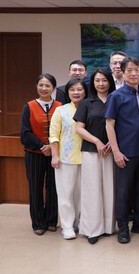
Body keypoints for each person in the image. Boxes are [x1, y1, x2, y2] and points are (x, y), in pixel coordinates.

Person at [105, 56, 139, 244]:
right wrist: (116, 152)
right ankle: (123, 228)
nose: (133, 73)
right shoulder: (116, 96)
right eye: (129, 70)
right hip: (125, 153)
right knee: (123, 192)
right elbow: (109, 125)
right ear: (123, 73)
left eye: (137, 70)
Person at [74, 68, 116, 244]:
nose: (101, 84)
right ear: (93, 82)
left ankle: (107, 227)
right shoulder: (87, 102)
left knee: (109, 189)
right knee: (92, 191)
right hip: (91, 151)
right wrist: (98, 142)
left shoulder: (116, 99)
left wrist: (112, 144)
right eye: (97, 80)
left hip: (111, 152)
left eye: (104, 80)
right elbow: (79, 128)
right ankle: (92, 229)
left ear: (110, 82)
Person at [20, 74, 62, 236]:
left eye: (48, 86)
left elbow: (63, 130)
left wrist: (52, 148)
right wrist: (43, 146)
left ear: (53, 88)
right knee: (36, 188)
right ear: (37, 87)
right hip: (34, 154)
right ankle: (38, 222)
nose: (44, 89)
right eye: (41, 85)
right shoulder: (29, 106)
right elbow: (25, 133)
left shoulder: (60, 106)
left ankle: (51, 221)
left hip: (55, 154)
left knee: (53, 187)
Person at [49, 78, 87, 240]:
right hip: (66, 158)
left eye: (79, 89)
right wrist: (55, 156)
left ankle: (80, 221)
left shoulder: (90, 108)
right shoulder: (61, 110)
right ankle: (67, 226)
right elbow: (53, 135)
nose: (76, 92)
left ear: (85, 91)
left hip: (87, 158)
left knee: (83, 194)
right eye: (72, 90)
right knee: (66, 194)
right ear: (68, 92)